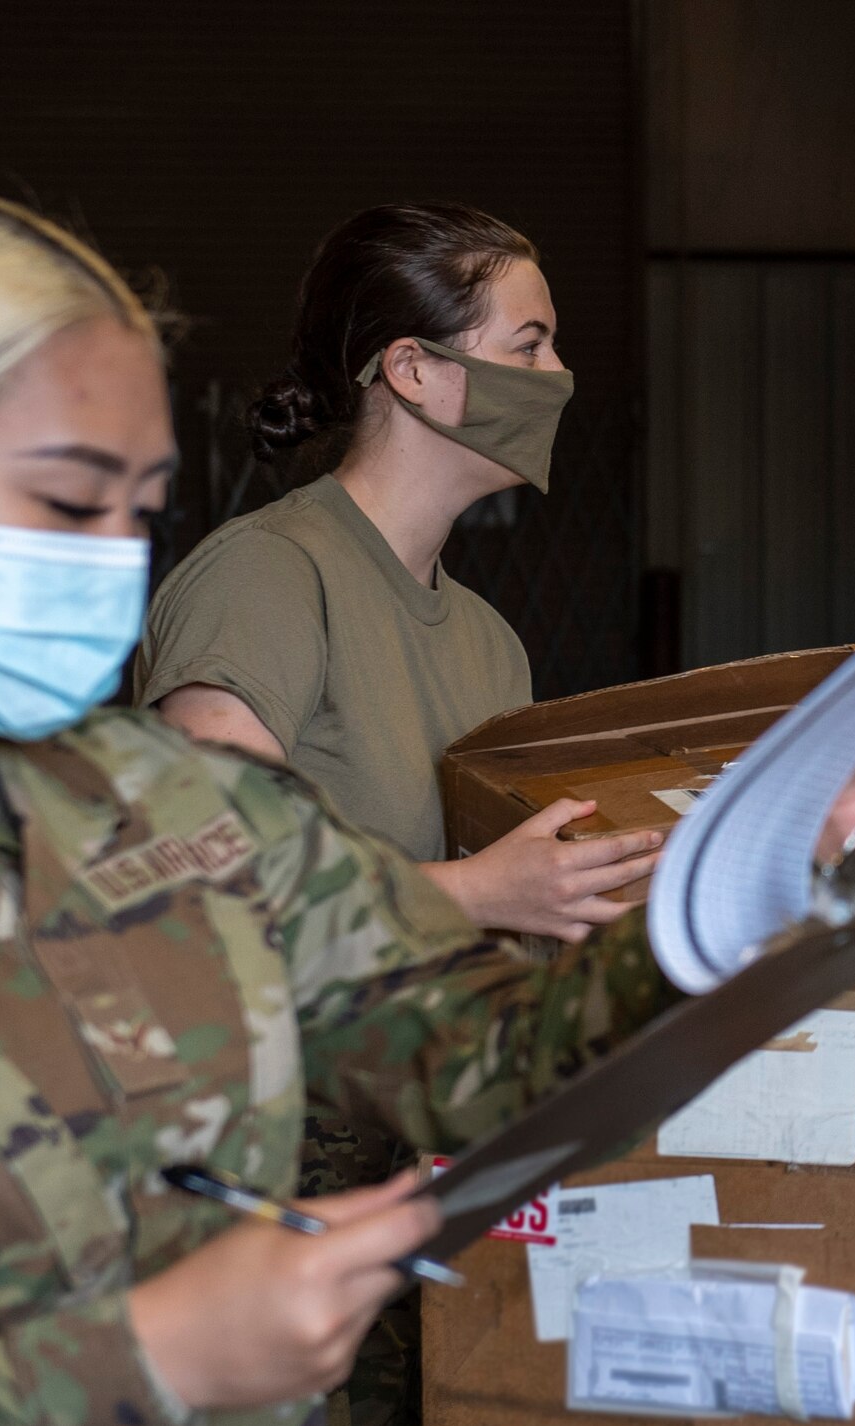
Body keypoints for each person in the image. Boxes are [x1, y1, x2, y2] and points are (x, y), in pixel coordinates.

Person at [0, 187, 855, 1426]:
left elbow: (480, 1058)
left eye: (138, 511)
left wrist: (772, 855)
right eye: (63, 502)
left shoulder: (157, 805)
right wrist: (156, 1353)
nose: (107, 560)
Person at [137, 202, 657, 947]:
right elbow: (207, 873)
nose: (560, 375)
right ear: (412, 370)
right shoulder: (268, 575)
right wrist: (479, 893)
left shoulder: (491, 641)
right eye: (529, 347)